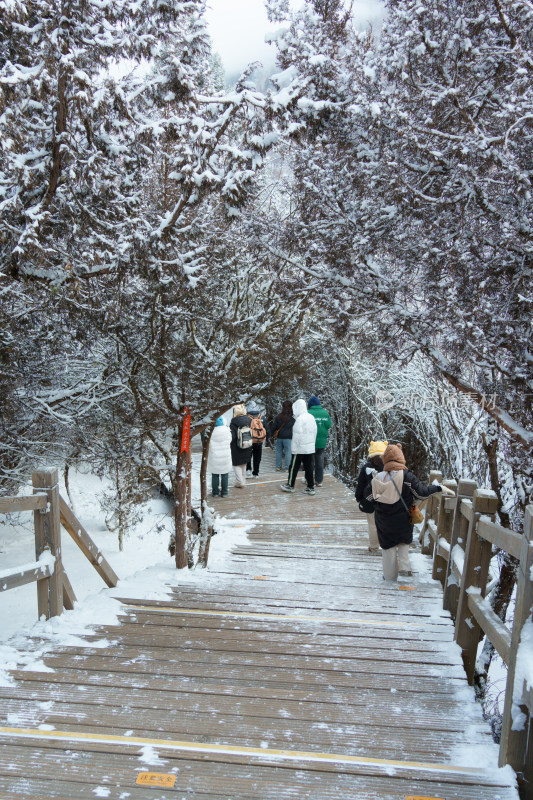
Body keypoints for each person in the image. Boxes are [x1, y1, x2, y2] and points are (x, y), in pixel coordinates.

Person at [371, 443, 454, 580]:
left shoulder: (377, 478)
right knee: (403, 542)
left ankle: (389, 577)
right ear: (400, 458)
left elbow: (369, 497)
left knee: (388, 548)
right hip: (402, 518)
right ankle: (405, 568)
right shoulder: (407, 476)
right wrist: (438, 488)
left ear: (385, 459)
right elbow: (421, 494)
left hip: (383, 520)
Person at [355, 440, 388, 554]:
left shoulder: (367, 466)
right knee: (386, 523)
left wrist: (359, 497)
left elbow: (361, 483)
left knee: (372, 524)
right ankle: (387, 545)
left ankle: (374, 547)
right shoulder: (389, 466)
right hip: (386, 500)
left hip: (370, 499)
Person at [280, 399, 317, 496]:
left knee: (293, 467)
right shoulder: (311, 417)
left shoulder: (299, 419)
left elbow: (297, 435)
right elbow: (315, 432)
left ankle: (290, 485)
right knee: (309, 467)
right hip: (310, 448)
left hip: (299, 448)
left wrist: (295, 448)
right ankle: (310, 487)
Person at [307, 395, 332, 487]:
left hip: (311, 442)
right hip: (321, 443)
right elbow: (329, 425)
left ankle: (309, 480)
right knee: (319, 462)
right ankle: (319, 480)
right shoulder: (325, 413)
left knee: (310, 462)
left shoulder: (308, 413)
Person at [207, 417, 232, 497]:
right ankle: (224, 492)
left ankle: (215, 492)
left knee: (215, 475)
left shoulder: (211, 431)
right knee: (225, 474)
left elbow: (208, 443)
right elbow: (230, 440)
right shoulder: (227, 430)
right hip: (225, 456)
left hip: (215, 456)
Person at [230, 404, 252, 488]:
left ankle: (239, 481)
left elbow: (233, 436)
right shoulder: (249, 420)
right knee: (244, 462)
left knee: (236, 464)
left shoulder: (234, 422)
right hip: (247, 444)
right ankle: (243, 479)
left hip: (237, 446)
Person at [270, 401, 295, 471]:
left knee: (278, 451)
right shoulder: (293, 418)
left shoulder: (278, 416)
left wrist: (272, 434)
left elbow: (274, 427)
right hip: (288, 438)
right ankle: (287, 468)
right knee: (288, 452)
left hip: (279, 437)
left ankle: (278, 466)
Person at [246, 406, 267, 477]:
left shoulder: (247, 418)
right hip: (259, 441)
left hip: (249, 440)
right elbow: (267, 428)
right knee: (257, 457)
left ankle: (248, 470)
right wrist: (265, 438)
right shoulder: (262, 417)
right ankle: (256, 473)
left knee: (248, 455)